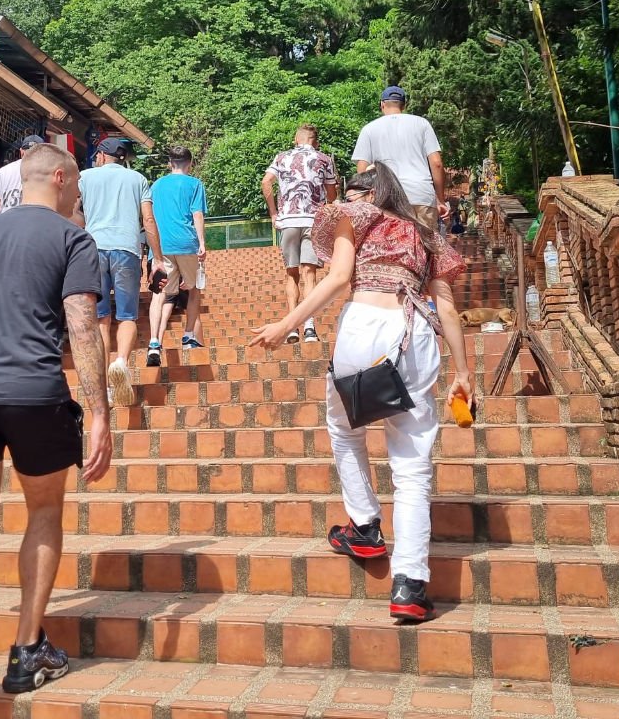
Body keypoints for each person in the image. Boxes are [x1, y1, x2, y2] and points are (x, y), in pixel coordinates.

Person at [0, 143, 112, 716]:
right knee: (44, 513)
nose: (79, 192)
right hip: (33, 393)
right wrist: (100, 411)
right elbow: (82, 325)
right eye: (77, 182)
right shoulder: (72, 238)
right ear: (58, 177)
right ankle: (27, 651)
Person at [249, 162, 471, 623]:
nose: (348, 198)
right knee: (412, 469)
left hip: (363, 328)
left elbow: (335, 278)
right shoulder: (426, 233)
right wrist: (463, 372)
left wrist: (286, 324)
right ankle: (409, 585)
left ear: (371, 194)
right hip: (414, 334)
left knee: (344, 426)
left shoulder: (357, 215)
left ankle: (366, 526)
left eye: (354, 191)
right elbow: (445, 306)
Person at [79, 137, 164, 405]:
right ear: (123, 157)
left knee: (101, 319)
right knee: (127, 315)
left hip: (93, 249)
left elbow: (73, 212)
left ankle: (104, 384)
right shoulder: (137, 179)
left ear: (102, 156)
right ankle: (121, 362)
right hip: (127, 250)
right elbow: (148, 219)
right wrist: (158, 259)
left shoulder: (84, 177)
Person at [261, 123, 337, 344]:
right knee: (309, 274)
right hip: (314, 221)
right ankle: (310, 327)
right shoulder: (324, 159)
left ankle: (292, 328)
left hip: (289, 220)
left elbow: (266, 182)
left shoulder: (282, 157)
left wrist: (274, 213)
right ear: (316, 141)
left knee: (291, 274)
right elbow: (331, 194)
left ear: (297, 139)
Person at [142, 146, 207, 366]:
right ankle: (189, 335)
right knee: (194, 289)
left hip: (161, 246)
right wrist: (202, 242)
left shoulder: (156, 185)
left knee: (159, 294)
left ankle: (153, 342)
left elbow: (148, 216)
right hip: (186, 244)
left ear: (170, 163)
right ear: (190, 163)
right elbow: (197, 213)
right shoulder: (195, 184)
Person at [352, 86, 450, 223]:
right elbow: (437, 164)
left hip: (387, 198)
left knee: (393, 243)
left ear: (382, 104)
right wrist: (440, 199)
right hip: (421, 195)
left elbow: (362, 170)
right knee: (425, 243)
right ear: (404, 105)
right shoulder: (422, 124)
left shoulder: (369, 129)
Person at [0, 134, 46, 226]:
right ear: (43, 153)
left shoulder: (4, 171)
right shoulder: (48, 173)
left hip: (5, 228)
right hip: (32, 228)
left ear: (21, 152)